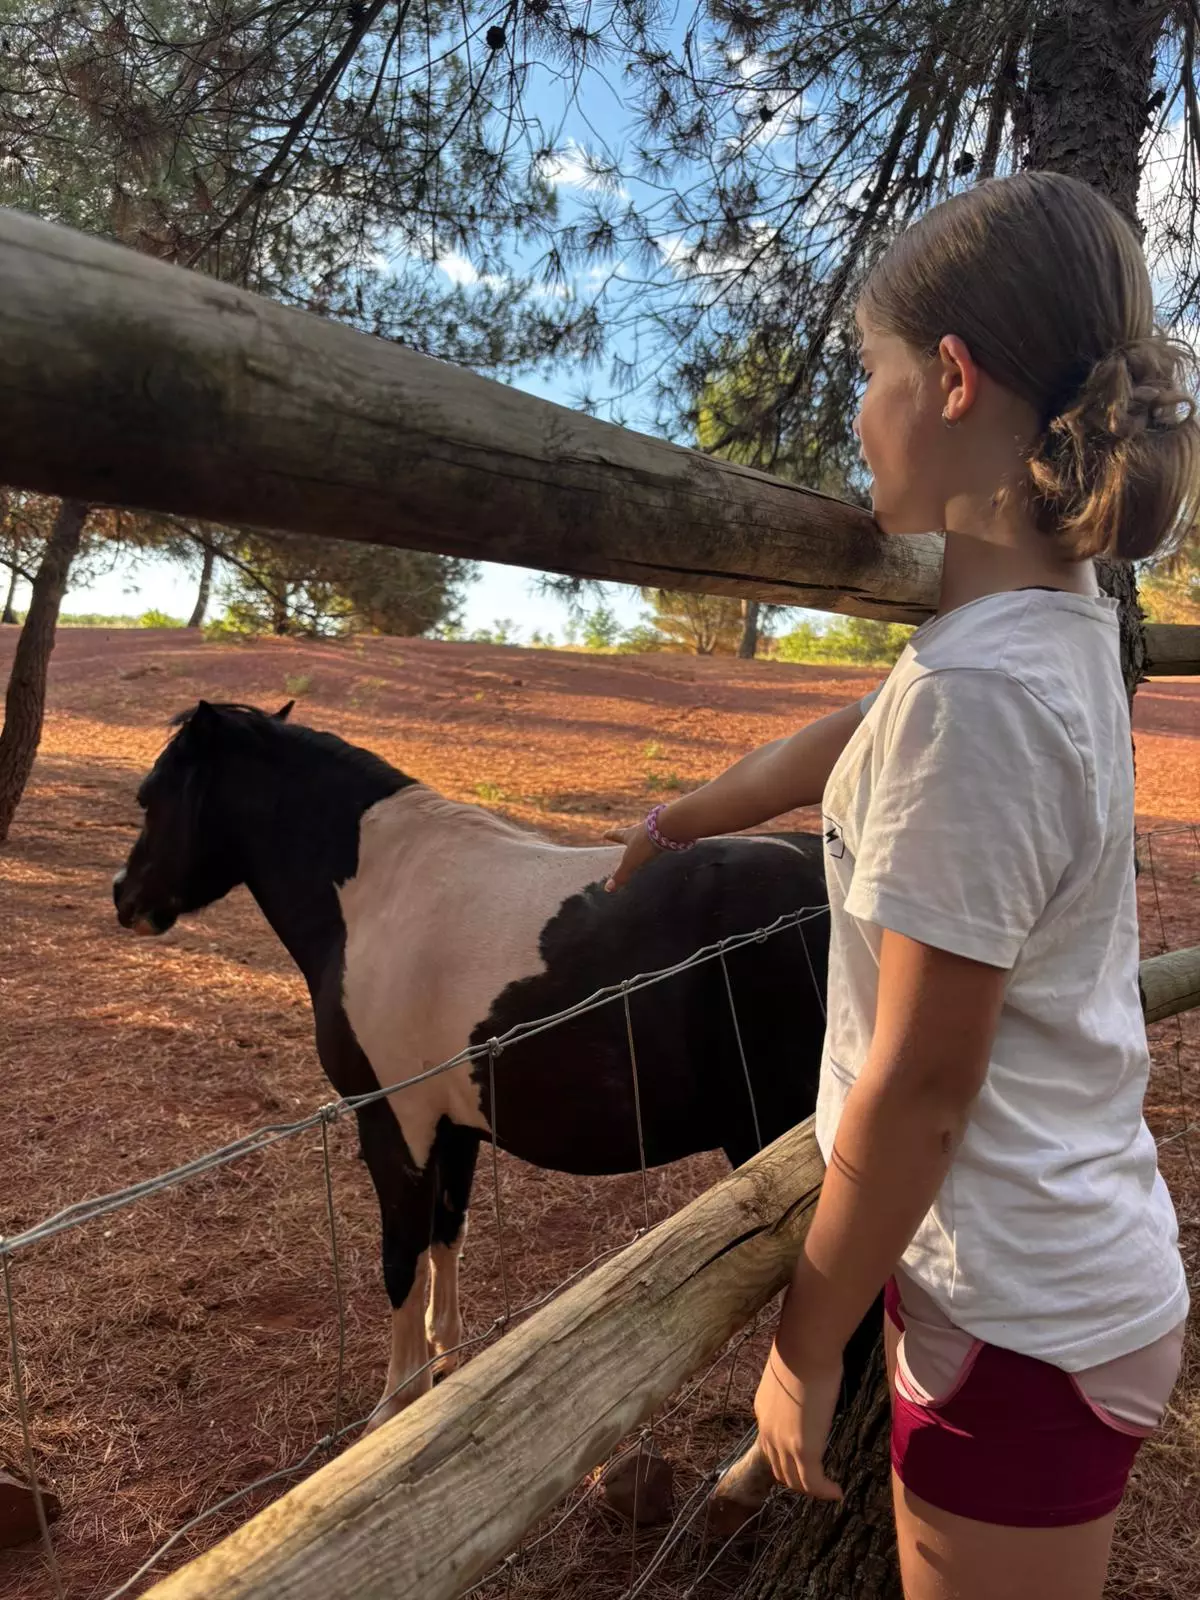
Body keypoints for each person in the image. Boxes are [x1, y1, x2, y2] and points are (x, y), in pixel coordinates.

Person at [603, 171, 1197, 1600]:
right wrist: (689, 816)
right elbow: (862, 735)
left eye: (869, 375)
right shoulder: (1047, 626)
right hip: (1045, 1292)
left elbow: (924, 1086)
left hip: (1023, 1329)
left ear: (948, 379)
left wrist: (802, 1354)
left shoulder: (980, 697)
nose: (853, 416)